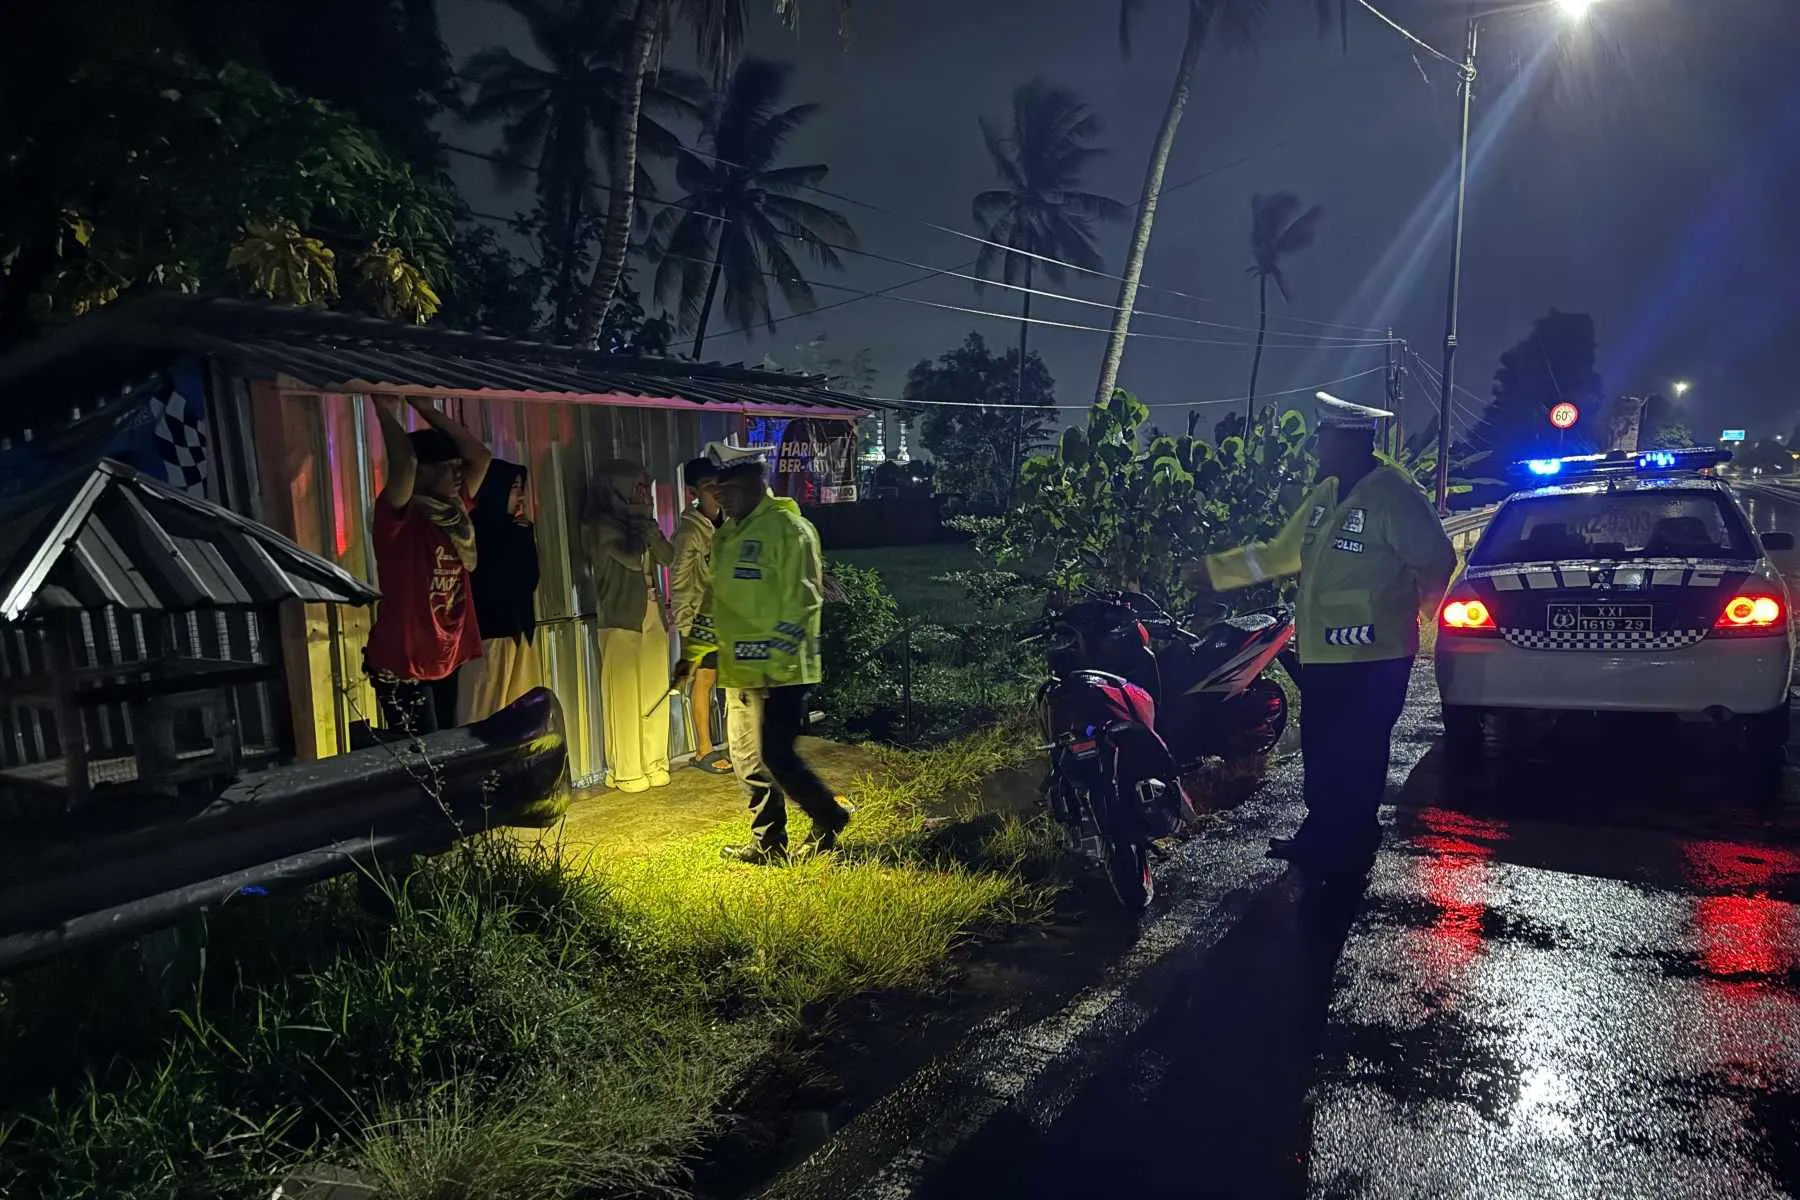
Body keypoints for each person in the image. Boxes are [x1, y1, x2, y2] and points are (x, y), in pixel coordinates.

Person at [1185, 392, 1456, 875]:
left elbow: (1436, 560)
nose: (1315, 448)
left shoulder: (1393, 495)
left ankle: (1351, 840)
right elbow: (1279, 554)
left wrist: (1418, 611)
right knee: (1322, 745)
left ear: (1351, 441)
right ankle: (1322, 831)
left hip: (1376, 655)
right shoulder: (1326, 494)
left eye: (1323, 438)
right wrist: (1214, 571)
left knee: (1359, 749)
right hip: (1323, 654)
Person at [711, 456, 852, 864]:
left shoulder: (791, 530)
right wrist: (694, 653)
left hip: (782, 672)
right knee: (746, 759)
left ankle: (829, 816)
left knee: (776, 755)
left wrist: (777, 659)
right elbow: (714, 601)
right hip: (739, 667)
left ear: (755, 485)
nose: (721, 501)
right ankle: (768, 844)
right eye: (716, 493)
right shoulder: (727, 536)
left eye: (728, 492)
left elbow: (805, 602)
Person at [364, 395, 492, 735]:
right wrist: (385, 409)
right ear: (422, 472)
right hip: (402, 665)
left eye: (456, 467)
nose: (457, 474)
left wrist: (425, 407)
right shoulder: (400, 519)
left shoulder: (454, 514)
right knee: (429, 763)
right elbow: (404, 461)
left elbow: (479, 456)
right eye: (446, 467)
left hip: (444, 658)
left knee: (446, 753)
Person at [588, 458, 674, 793]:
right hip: (620, 616)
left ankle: (655, 762)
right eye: (637, 486)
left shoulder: (642, 522)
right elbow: (632, 559)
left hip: (653, 612)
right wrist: (641, 519)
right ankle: (626, 769)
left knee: (655, 691)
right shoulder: (600, 524)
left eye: (646, 487)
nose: (645, 494)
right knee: (623, 696)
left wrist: (647, 522)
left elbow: (667, 557)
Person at [458, 458, 543, 724]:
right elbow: (495, 581)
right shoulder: (477, 532)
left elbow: (529, 579)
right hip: (488, 638)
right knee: (485, 713)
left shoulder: (515, 531)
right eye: (514, 488)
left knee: (522, 715)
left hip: (518, 636)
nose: (519, 496)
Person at [672, 457, 730, 773]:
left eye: (718, 484)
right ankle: (703, 749)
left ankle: (739, 742)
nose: (716, 492)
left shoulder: (728, 523)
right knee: (704, 680)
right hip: (701, 621)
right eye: (708, 486)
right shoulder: (688, 533)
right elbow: (679, 582)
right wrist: (686, 625)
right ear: (694, 491)